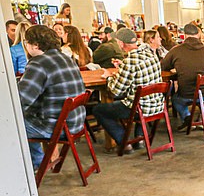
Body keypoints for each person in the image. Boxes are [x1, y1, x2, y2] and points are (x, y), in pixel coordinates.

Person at [18, 25, 85, 168]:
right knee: (23, 117)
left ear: (35, 45)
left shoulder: (38, 63)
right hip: (76, 122)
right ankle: (38, 162)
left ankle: (35, 165)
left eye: (26, 42)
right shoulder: (66, 58)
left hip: (57, 127)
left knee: (12, 123)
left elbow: (20, 100)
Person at [93, 28, 164, 153]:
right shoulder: (151, 55)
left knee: (99, 110)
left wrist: (109, 76)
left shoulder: (130, 61)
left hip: (139, 108)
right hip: (157, 106)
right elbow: (138, 75)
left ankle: (124, 141)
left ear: (121, 43)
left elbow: (116, 90)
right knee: (138, 99)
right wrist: (122, 67)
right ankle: (139, 139)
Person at [161, 23, 204, 131]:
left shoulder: (176, 50)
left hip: (186, 94)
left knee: (175, 99)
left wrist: (178, 68)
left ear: (184, 35)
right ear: (199, 34)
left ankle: (187, 117)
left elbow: (163, 66)